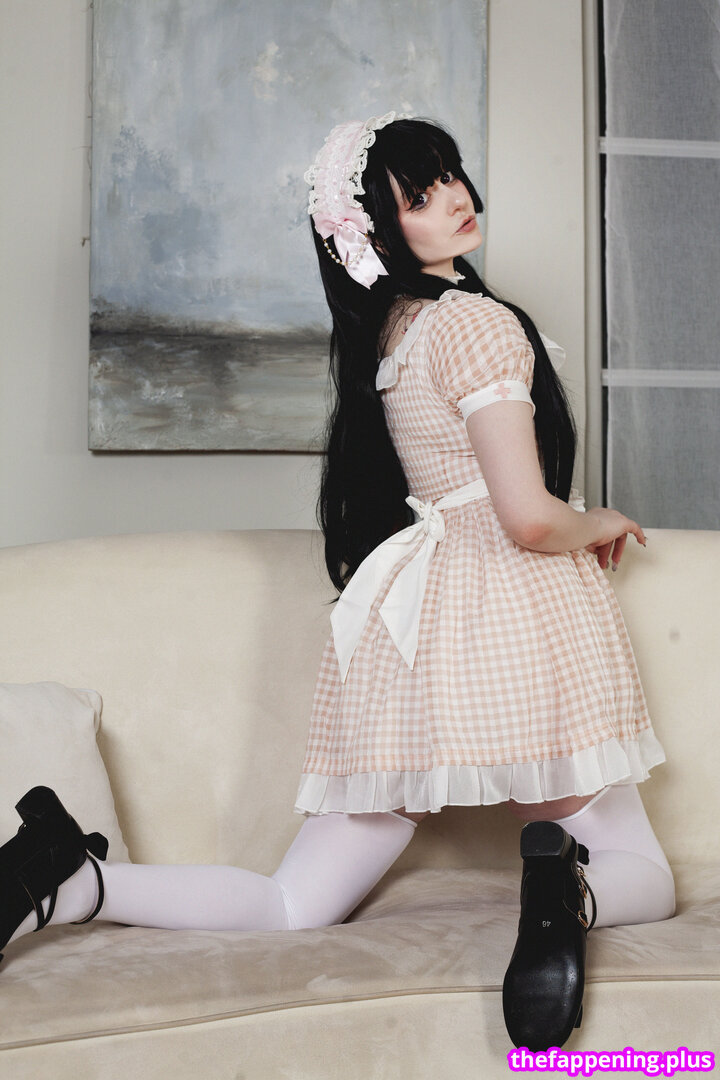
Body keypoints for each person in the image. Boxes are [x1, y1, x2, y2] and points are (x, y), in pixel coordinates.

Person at [0, 113, 675, 1052]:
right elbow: (526, 518)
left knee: (293, 902)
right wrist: (597, 521)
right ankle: (568, 884)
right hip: (512, 611)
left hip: (413, 620)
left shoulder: (391, 338)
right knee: (650, 874)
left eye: (450, 176)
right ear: (376, 234)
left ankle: (77, 881)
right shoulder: (477, 322)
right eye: (420, 195)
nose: (455, 199)